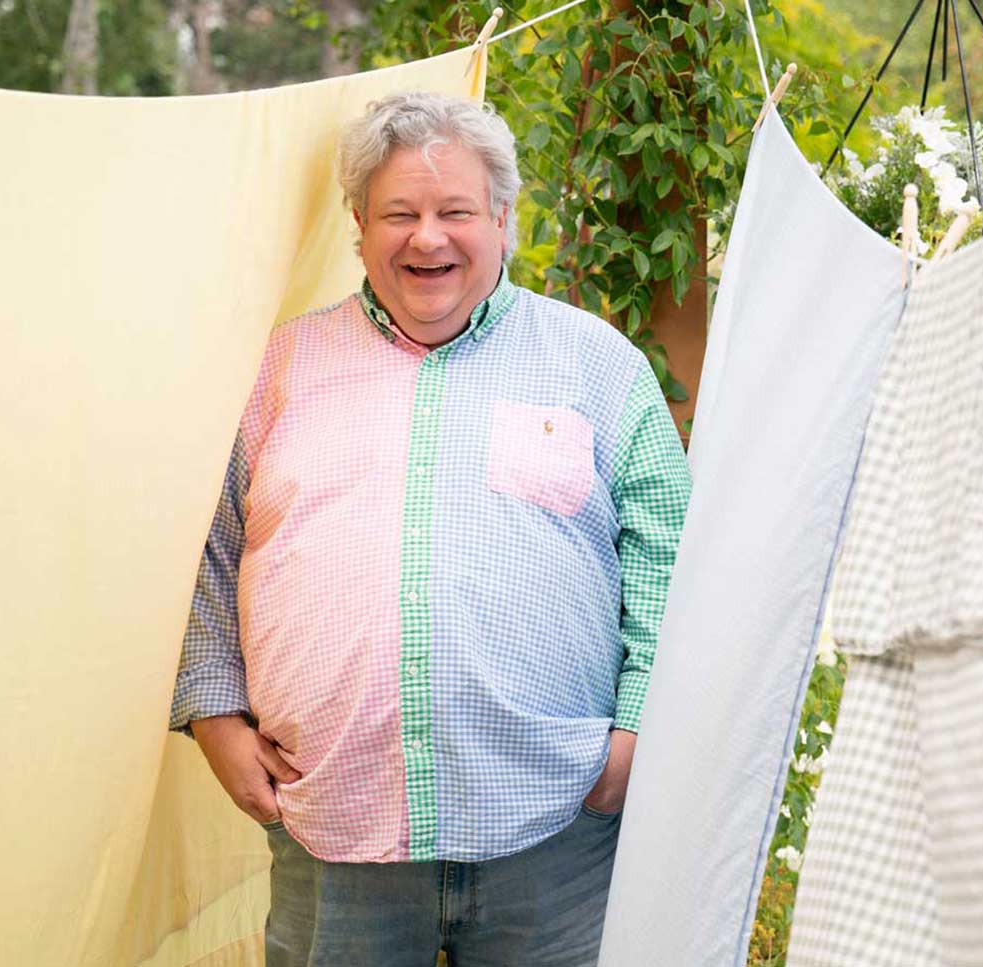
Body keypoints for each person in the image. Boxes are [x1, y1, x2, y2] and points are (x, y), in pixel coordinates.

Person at [168, 91, 691, 966]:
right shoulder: (276, 370)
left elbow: (670, 555)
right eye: (399, 214)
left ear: (503, 217)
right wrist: (217, 714)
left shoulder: (598, 363)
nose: (428, 238)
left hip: (554, 831)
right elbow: (203, 550)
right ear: (359, 227)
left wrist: (637, 725)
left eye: (455, 211)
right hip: (333, 826)